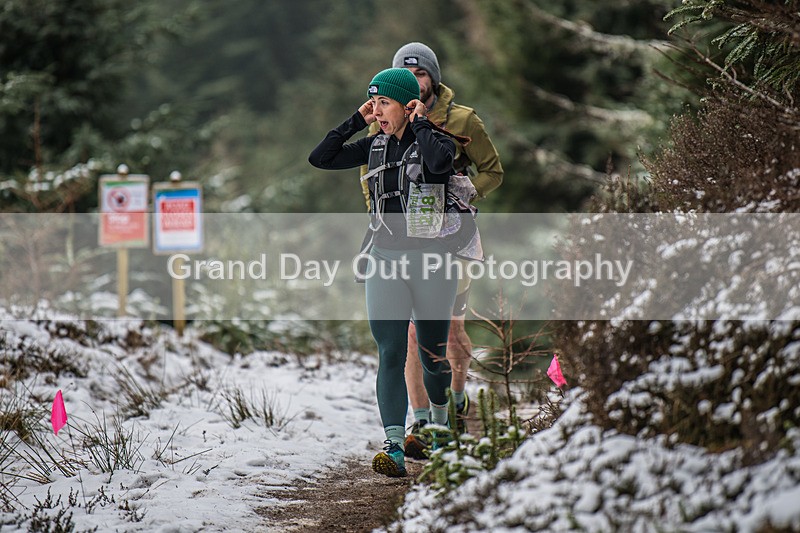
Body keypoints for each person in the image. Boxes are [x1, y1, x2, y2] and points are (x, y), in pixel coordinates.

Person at [309, 67, 459, 477]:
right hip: (385, 259)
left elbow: (440, 165)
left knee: (432, 354)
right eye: (373, 102)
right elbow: (320, 158)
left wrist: (421, 123)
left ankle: (441, 425)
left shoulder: (434, 139)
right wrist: (357, 120)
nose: (377, 111)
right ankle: (393, 444)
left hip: (432, 263)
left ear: (407, 104)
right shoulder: (373, 145)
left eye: (384, 103)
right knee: (391, 352)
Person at [360, 42, 504, 459]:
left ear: (432, 79)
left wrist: (462, 195)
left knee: (449, 331)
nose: (415, 83)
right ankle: (422, 419)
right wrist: (380, 216)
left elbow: (492, 170)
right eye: (408, 76)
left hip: (452, 238)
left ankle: (456, 399)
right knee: (406, 335)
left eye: (421, 75)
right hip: (399, 241)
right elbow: (370, 174)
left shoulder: (462, 119)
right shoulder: (382, 120)